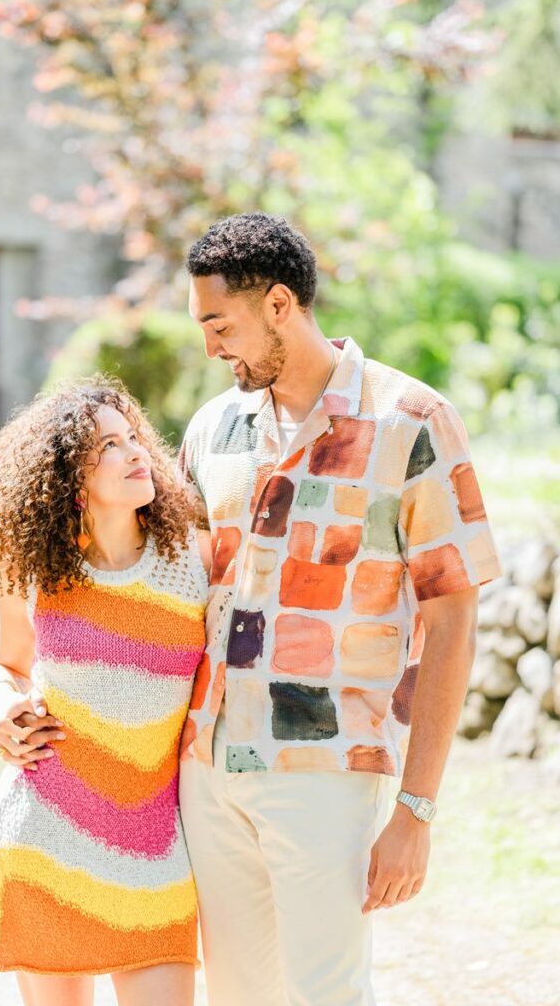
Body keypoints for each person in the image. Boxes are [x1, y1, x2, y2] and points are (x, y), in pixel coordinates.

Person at [176, 212, 503, 1006]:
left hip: (324, 770)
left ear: (280, 305)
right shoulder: (212, 428)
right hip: (207, 768)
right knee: (235, 996)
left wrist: (415, 810)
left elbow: (453, 619)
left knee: (326, 995)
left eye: (221, 325)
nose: (212, 348)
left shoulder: (410, 423)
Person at [0, 375, 211, 1006]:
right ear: (71, 481)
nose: (136, 454)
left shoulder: (197, 557)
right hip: (46, 838)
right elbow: (5, 664)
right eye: (111, 447)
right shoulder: (36, 570)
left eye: (134, 438)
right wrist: (2, 703)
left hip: (156, 844)